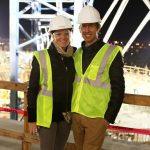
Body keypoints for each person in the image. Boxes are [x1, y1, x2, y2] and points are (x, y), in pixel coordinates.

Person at [71, 6, 125, 150]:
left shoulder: (112, 53)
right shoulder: (76, 54)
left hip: (96, 117)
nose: (87, 30)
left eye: (91, 26)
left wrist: (108, 118)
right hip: (76, 114)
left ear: (98, 27)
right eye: (84, 26)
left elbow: (118, 87)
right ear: (80, 29)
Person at [27, 15, 76, 150]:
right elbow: (32, 90)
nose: (63, 37)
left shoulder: (75, 56)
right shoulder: (41, 56)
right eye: (58, 34)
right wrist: (31, 119)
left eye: (66, 33)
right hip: (48, 117)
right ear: (52, 36)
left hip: (66, 116)